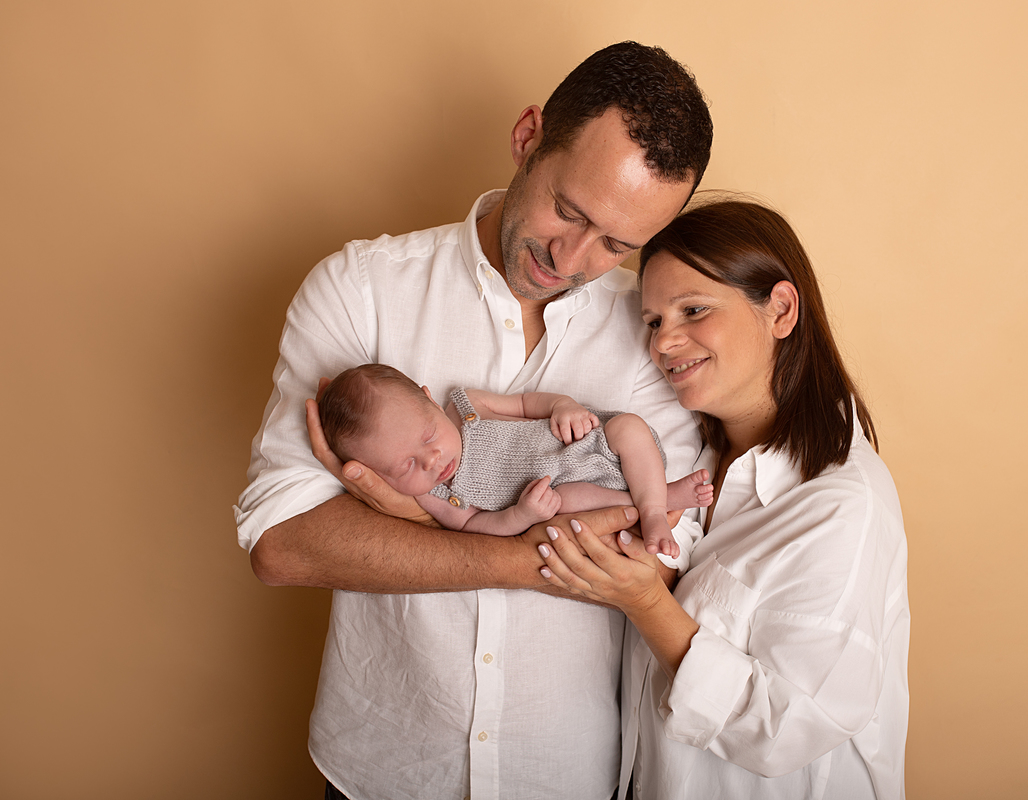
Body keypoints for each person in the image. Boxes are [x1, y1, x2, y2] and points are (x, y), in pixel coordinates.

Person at [234, 42, 714, 800]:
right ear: (527, 138)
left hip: (563, 774)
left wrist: (407, 516)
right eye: (570, 209)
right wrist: (528, 555)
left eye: (618, 242)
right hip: (383, 769)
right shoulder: (360, 291)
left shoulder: (661, 332)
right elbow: (285, 543)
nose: (574, 255)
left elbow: (655, 557)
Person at [538, 200, 910, 799]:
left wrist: (644, 603)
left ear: (781, 309)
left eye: (694, 310)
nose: (666, 342)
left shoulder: (843, 506)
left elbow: (785, 731)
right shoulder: (692, 464)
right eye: (654, 320)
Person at [317, 363, 712, 552]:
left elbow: (526, 404)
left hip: (590, 445)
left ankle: (655, 506)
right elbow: (473, 526)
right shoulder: (432, 496)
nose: (432, 460)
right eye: (404, 466)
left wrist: (563, 406)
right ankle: (659, 502)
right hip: (560, 492)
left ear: (427, 397)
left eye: (428, 436)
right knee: (569, 503)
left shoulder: (468, 406)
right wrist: (520, 516)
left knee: (628, 426)